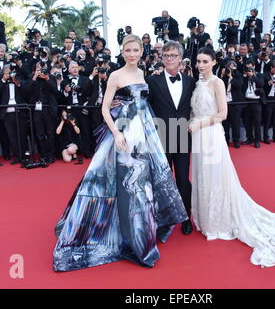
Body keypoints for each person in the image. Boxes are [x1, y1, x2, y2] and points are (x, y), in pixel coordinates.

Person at [53, 35, 188, 271]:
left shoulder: (142, 73)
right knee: (124, 185)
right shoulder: (115, 75)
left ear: (141, 52)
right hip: (124, 133)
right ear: (122, 52)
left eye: (136, 50)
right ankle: (130, 239)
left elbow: (143, 103)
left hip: (144, 133)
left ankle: (143, 233)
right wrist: (116, 133)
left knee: (142, 185)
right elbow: (105, 108)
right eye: (128, 50)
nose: (132, 54)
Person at [189, 47, 275, 268]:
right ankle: (206, 220)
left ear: (213, 62)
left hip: (210, 134)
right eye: (198, 61)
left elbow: (223, 114)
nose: (200, 65)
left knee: (215, 177)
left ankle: (217, 223)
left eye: (204, 61)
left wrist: (198, 124)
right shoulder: (198, 83)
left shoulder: (217, 83)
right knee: (202, 176)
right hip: (198, 136)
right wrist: (192, 122)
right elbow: (195, 109)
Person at [146, 41, 197, 235]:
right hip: (161, 138)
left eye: (173, 55)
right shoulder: (153, 80)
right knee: (162, 181)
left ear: (180, 58)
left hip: (183, 136)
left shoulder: (190, 82)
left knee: (183, 180)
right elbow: (145, 107)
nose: (169, 59)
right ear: (162, 58)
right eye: (166, 55)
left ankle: (185, 217)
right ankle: (163, 219)